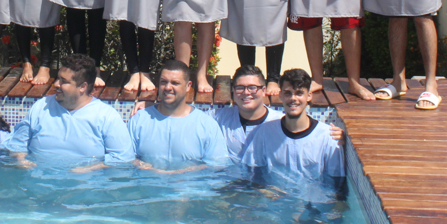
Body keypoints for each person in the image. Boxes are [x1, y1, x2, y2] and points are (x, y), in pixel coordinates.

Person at [7, 54, 135, 170]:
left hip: (85, 184)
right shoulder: (41, 107)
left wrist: (90, 169)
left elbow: (123, 158)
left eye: (64, 81)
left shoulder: (106, 116)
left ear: (83, 87)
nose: (56, 84)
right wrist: (20, 159)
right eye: (58, 78)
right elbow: (16, 143)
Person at [209, 67, 343, 162]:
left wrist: (339, 136)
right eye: (240, 88)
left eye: (252, 88)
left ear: (264, 91)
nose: (246, 93)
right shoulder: (217, 118)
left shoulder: (279, 124)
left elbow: (307, 134)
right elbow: (196, 118)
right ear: (233, 90)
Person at [240, 67, 345, 184]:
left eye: (299, 93)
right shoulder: (265, 133)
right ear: (280, 95)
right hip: (273, 194)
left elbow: (336, 185)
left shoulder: (328, 138)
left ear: (309, 96)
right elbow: (251, 173)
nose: (293, 98)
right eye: (288, 93)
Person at [128, 60, 228, 171]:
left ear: (188, 86)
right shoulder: (139, 120)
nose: (168, 87)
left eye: (175, 83)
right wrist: (148, 169)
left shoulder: (207, 125)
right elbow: (124, 158)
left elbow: (217, 165)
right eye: (163, 82)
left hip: (189, 182)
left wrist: (184, 173)